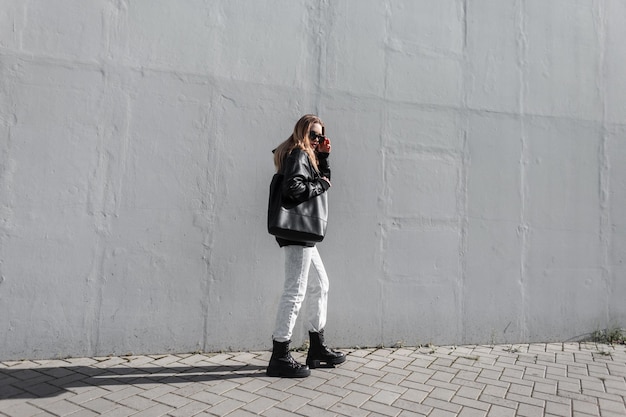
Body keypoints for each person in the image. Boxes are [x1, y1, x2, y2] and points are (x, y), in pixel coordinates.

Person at [266, 114, 346, 378]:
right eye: (313, 134)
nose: (316, 140)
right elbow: (294, 188)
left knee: (320, 284)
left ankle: (316, 348)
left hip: (303, 236)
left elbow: (323, 180)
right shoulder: (299, 154)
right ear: (302, 132)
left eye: (320, 135)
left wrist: (323, 158)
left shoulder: (307, 155)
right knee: (295, 292)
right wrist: (320, 183)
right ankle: (280, 355)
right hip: (298, 234)